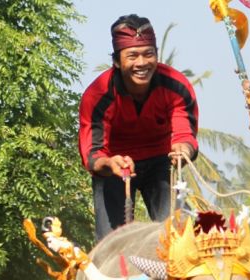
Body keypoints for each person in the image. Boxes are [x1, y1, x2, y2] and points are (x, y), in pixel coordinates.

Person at [78, 14, 199, 241]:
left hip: (161, 163)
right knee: (111, 244)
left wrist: (183, 149)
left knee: (178, 239)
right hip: (115, 168)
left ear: (156, 56)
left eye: (148, 54)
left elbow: (185, 133)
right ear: (116, 61)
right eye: (132, 56)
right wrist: (109, 163)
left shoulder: (177, 86)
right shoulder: (97, 96)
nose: (142, 63)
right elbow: (93, 154)